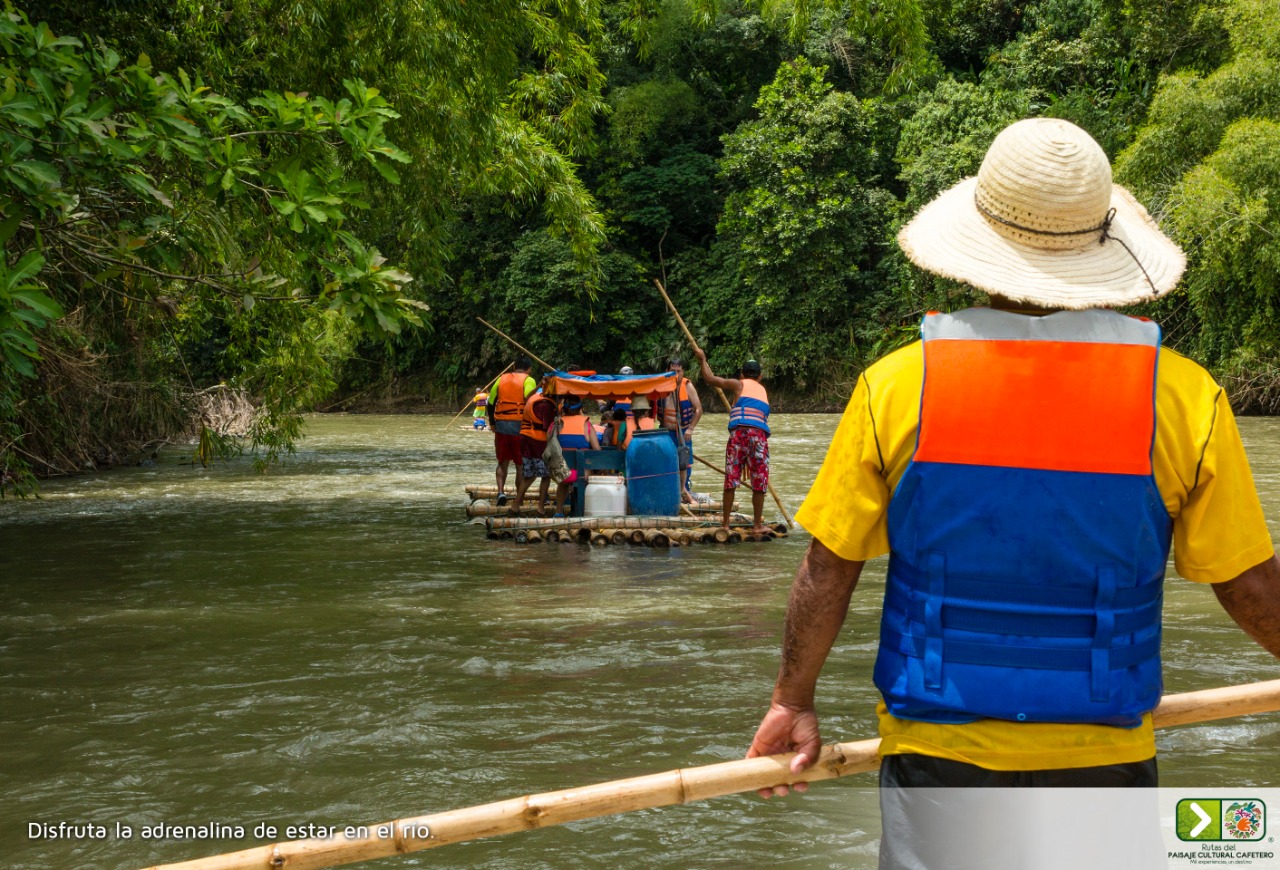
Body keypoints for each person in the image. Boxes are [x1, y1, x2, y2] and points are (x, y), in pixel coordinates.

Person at [744, 118, 1280, 868]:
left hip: (937, 759)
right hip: (1103, 760)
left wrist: (791, 701)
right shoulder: (1185, 399)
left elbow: (828, 570)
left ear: (975, 254)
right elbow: (1248, 585)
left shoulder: (894, 388)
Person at [694, 350, 770, 535]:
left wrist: (703, 358)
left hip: (739, 436)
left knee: (731, 479)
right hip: (758, 438)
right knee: (759, 481)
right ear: (760, 377)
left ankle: (726, 524)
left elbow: (711, 379)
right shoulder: (763, 391)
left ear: (742, 374)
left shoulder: (738, 384)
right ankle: (757, 526)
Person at [488, 357, 536, 504]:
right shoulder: (529, 380)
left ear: (514, 366)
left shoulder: (501, 379)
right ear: (529, 369)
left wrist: (492, 422)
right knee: (520, 464)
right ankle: (519, 498)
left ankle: (501, 492)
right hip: (519, 426)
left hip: (501, 425)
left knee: (502, 462)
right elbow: (530, 402)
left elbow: (490, 403)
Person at [511, 372, 557, 515]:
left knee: (529, 475)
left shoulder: (534, 397)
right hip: (537, 441)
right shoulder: (546, 405)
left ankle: (515, 506)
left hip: (525, 438)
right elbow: (548, 429)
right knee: (546, 475)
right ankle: (540, 508)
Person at [658, 357, 702, 499]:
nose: (676, 374)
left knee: (685, 462)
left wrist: (691, 429)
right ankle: (670, 490)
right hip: (666, 432)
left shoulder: (687, 385)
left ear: (683, 372)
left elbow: (699, 409)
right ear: (667, 371)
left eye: (678, 371)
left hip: (683, 432)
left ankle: (685, 490)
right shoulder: (660, 385)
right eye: (672, 371)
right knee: (666, 461)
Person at [552, 395, 601, 516]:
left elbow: (551, 446)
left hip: (562, 473)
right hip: (582, 474)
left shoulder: (557, 424)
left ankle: (559, 511)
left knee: (563, 483)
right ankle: (586, 508)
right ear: (580, 408)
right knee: (593, 469)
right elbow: (597, 450)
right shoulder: (587, 425)